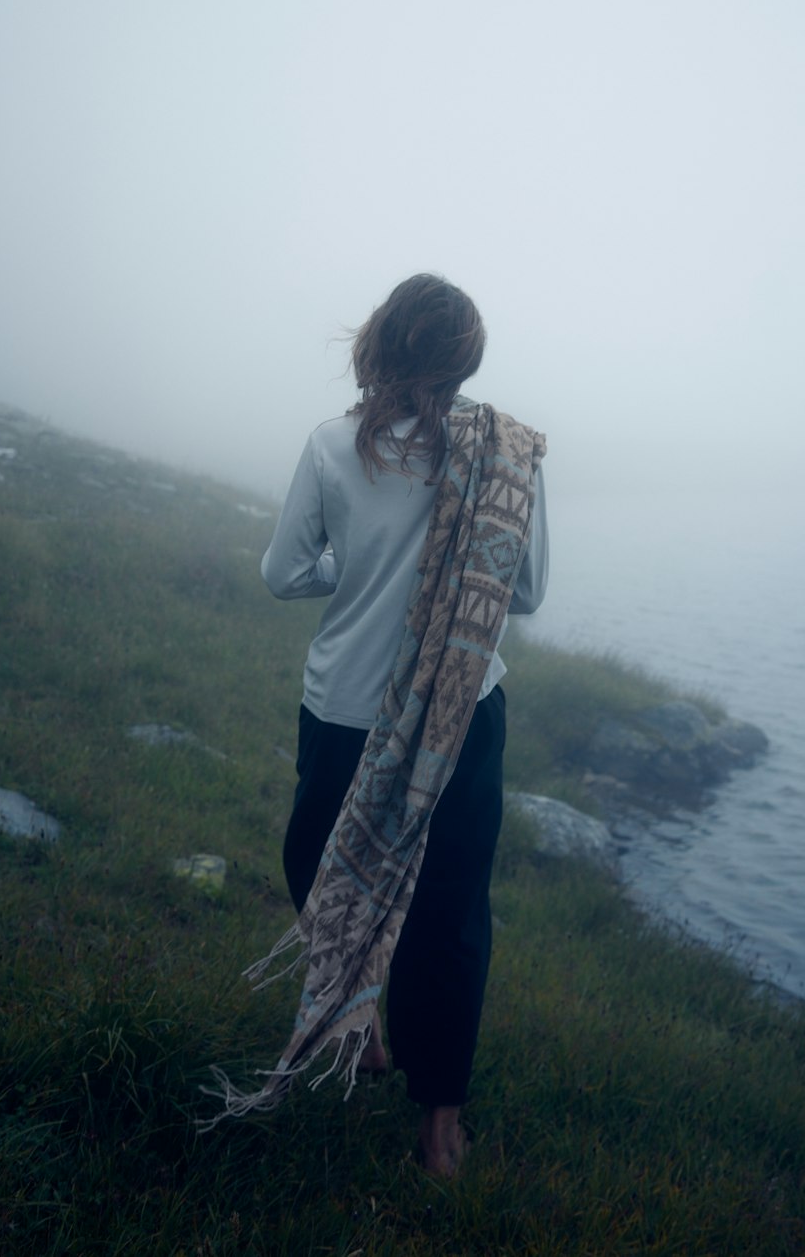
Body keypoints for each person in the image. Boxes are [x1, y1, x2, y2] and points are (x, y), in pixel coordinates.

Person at [260, 273, 548, 1175]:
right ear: (466, 359)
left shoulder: (333, 444)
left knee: (318, 863)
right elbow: (528, 592)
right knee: (452, 912)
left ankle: (361, 1019)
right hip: (463, 713)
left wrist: (353, 576)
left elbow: (283, 572)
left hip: (347, 705)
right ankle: (438, 1124)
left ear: (380, 340)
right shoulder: (509, 455)